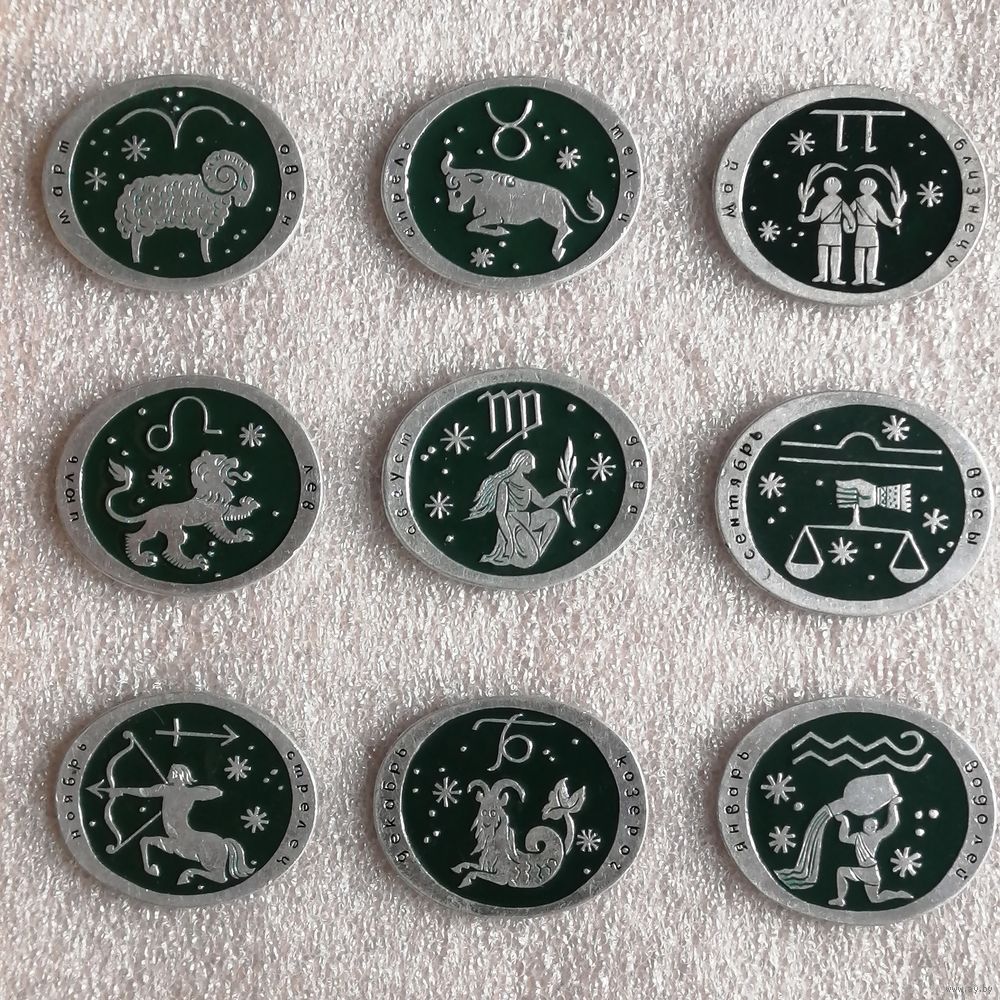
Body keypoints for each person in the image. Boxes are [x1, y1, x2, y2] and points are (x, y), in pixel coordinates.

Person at [467, 450, 571, 568]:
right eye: (530, 463)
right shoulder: (504, 484)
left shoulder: (526, 485)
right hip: (512, 523)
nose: (533, 467)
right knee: (530, 560)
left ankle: (536, 548)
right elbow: (500, 514)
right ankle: (524, 551)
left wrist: (560, 493)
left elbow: (543, 503)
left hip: (526, 519)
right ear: (522, 463)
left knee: (553, 516)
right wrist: (509, 539)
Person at [828, 795, 913, 907]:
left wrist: (892, 806)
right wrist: (844, 821)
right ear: (863, 826)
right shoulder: (858, 836)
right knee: (842, 872)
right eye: (867, 826)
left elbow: (891, 825)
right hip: (864, 870)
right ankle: (840, 899)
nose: (869, 828)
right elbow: (843, 838)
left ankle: (897, 895)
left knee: (875, 899)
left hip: (871, 871)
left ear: (876, 827)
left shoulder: (876, 837)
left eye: (872, 826)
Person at [798, 176, 855, 285]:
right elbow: (849, 215)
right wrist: (851, 226)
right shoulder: (838, 201)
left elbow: (815, 216)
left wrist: (804, 218)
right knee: (834, 253)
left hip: (827, 228)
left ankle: (825, 275)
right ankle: (832, 276)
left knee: (825, 252)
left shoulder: (825, 201)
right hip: (833, 228)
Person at [850, 177, 900, 286]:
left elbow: (848, 214)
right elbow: (883, 218)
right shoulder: (864, 201)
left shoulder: (866, 201)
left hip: (866, 230)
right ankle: (863, 278)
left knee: (864, 254)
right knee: (865, 254)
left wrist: (893, 223)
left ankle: (864, 278)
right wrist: (893, 223)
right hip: (865, 230)